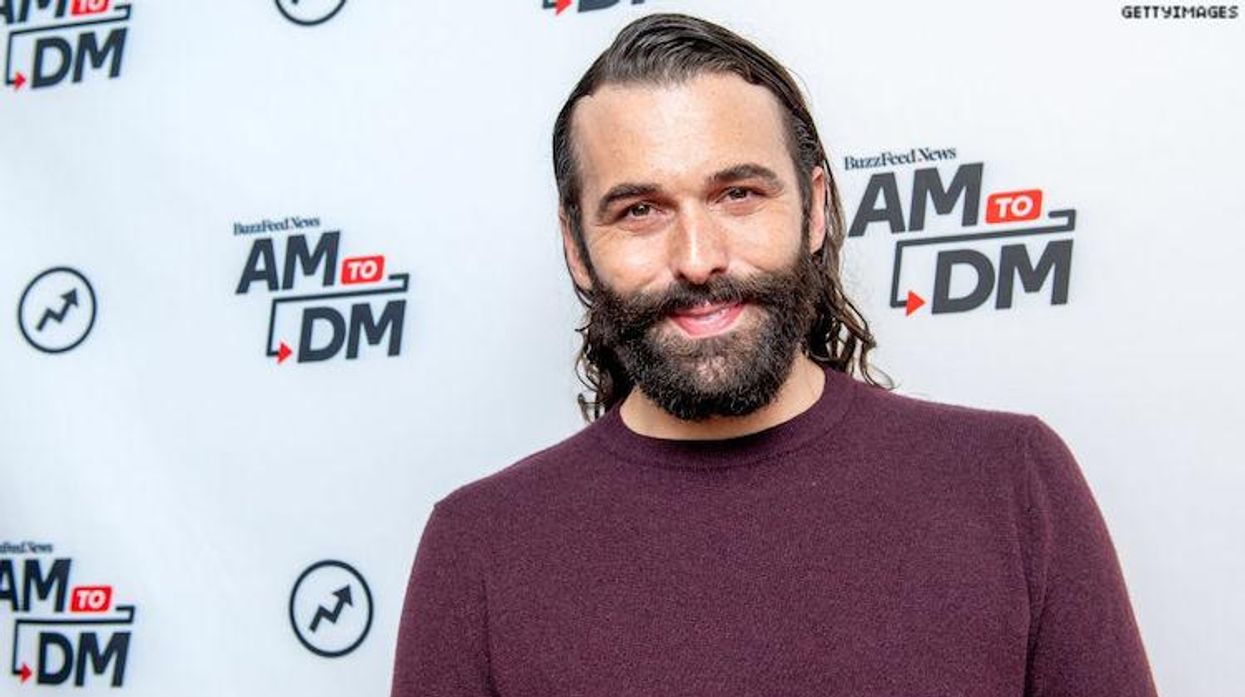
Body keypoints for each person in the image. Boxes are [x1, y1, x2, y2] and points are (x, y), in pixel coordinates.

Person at [391, 13, 1158, 697]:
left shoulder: (1008, 479)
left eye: (738, 194)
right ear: (577, 247)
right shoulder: (478, 547)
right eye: (639, 210)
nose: (697, 257)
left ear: (816, 207)